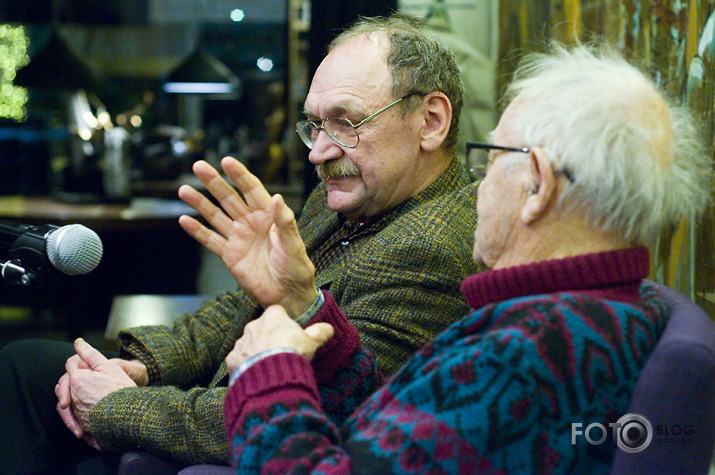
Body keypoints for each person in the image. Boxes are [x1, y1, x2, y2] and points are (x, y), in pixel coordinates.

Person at [0, 15, 480, 474]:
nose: (319, 151)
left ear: (431, 121)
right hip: (218, 399)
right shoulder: (347, 195)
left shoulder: (433, 248)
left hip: (248, 443)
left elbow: (318, 412)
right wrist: (143, 366)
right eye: (314, 124)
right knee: (29, 365)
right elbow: (237, 309)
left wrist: (120, 406)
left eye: (346, 122)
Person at [221, 42, 711, 473]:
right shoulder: (600, 311)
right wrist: (323, 344)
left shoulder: (527, 351)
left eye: (492, 158)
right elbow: (405, 439)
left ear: (536, 184)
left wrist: (268, 371)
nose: (477, 185)